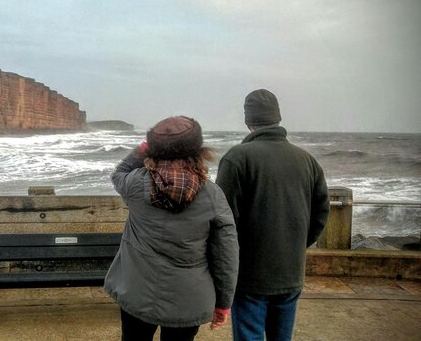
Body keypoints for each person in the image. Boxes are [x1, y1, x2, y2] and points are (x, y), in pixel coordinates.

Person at [104, 116, 239, 341]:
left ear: (153, 151)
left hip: (137, 291)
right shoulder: (212, 195)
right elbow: (226, 254)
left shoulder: (136, 184)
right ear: (198, 150)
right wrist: (223, 304)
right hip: (188, 297)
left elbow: (119, 173)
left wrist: (142, 149)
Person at [216, 89, 330, 341]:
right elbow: (321, 213)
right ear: (278, 118)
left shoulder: (237, 159)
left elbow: (223, 221)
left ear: (248, 121)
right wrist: (296, 244)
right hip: (291, 271)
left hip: (250, 275)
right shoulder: (307, 160)